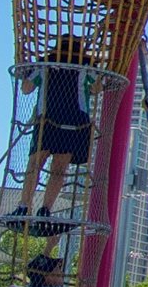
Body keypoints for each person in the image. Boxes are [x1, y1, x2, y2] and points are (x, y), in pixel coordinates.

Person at [8, 36, 100, 222]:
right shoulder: (86, 65)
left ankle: (25, 205)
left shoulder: (46, 63)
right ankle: (45, 209)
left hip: (48, 119)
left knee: (35, 164)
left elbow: (26, 88)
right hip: (74, 121)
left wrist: (25, 72)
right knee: (59, 167)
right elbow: (97, 89)